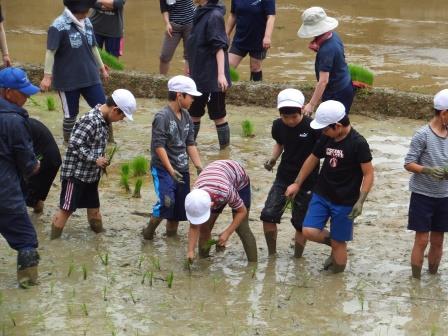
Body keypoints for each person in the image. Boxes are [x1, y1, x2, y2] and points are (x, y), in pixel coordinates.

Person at [285, 100, 374, 273]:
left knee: (340, 244)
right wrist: (297, 183)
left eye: (326, 128)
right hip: (322, 193)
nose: (323, 132)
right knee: (309, 230)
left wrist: (361, 201)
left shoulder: (358, 143)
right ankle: (335, 244)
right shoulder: (327, 137)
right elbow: (313, 158)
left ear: (338, 126)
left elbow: (369, 174)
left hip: (345, 201)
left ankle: (337, 281)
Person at [50, 89, 136, 239]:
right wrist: (95, 159)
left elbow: (92, 145)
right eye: (122, 116)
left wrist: (101, 160)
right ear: (115, 110)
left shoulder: (103, 121)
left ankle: (99, 238)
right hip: (75, 175)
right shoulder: (90, 120)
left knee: (94, 208)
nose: (121, 120)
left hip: (90, 175)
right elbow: (74, 144)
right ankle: (54, 241)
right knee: (66, 209)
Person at [142, 75, 203, 240]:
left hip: (182, 169)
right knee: (166, 202)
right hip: (163, 169)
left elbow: (190, 143)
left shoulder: (187, 117)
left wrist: (199, 167)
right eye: (191, 96)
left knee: (177, 211)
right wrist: (170, 170)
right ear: (179, 95)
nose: (193, 100)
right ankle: (148, 233)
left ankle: (171, 238)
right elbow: (158, 146)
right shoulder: (162, 117)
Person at [261, 89, 320, 257]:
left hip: (308, 180)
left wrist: (299, 183)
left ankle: (297, 257)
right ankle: (272, 254)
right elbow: (280, 143)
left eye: (294, 117)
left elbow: (316, 156)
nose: (290, 121)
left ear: (302, 109)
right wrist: (273, 159)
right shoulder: (278, 125)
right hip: (284, 176)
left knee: (301, 223)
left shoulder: (313, 127)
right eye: (285, 117)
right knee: (268, 215)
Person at [40, 0, 109, 142]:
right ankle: (69, 143)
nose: (86, 13)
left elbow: (93, 46)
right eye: (84, 11)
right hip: (68, 80)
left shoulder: (88, 23)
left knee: (103, 107)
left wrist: (101, 67)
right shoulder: (58, 26)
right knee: (70, 114)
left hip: (90, 75)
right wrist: (47, 77)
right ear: (73, 10)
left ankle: (107, 139)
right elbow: (50, 52)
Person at [0, 67, 40, 287]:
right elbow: (27, 163)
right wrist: (35, 165)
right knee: (26, 241)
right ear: (7, 93)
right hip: (6, 195)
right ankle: (28, 288)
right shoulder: (14, 121)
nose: (27, 97)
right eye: (23, 93)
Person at [404, 89, 448, 279]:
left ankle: (432, 275)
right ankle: (415, 281)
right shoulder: (422, 135)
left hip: (445, 195)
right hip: (422, 195)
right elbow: (408, 163)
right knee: (422, 239)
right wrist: (428, 170)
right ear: (444, 113)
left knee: (438, 240)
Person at [185, 160, 257, 262]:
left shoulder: (225, 191)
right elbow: (194, 226)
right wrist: (190, 250)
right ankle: (204, 262)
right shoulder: (194, 198)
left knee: (242, 228)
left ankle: (253, 265)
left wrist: (227, 232)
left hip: (238, 179)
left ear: (211, 205)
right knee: (204, 227)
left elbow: (242, 211)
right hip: (215, 180)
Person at [187, 0, 231, 150]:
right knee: (194, 112)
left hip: (212, 76)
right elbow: (193, 42)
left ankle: (224, 150)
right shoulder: (199, 11)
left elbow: (219, 46)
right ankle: (190, 146)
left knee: (218, 114)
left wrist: (221, 75)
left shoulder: (214, 16)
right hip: (198, 74)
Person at [297, 7, 354, 116]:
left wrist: (311, 104)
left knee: (333, 125)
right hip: (344, 83)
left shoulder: (326, 50)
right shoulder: (333, 36)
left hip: (336, 93)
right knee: (339, 122)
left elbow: (323, 81)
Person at [226, 0, 275, 81]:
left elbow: (271, 17)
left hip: (259, 40)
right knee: (228, 65)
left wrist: (267, 36)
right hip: (240, 38)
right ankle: (225, 88)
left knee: (255, 67)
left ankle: (257, 90)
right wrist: (226, 34)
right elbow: (233, 15)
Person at [24, 118, 62, 214]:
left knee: (27, 196)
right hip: (51, 159)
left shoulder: (14, 125)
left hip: (45, 160)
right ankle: (37, 220)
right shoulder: (18, 121)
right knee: (35, 196)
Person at [159, 0, 196, 75]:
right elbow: (164, 8)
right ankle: (162, 80)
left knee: (189, 56)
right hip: (173, 26)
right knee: (164, 56)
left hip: (191, 24)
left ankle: (186, 83)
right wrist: (167, 23)